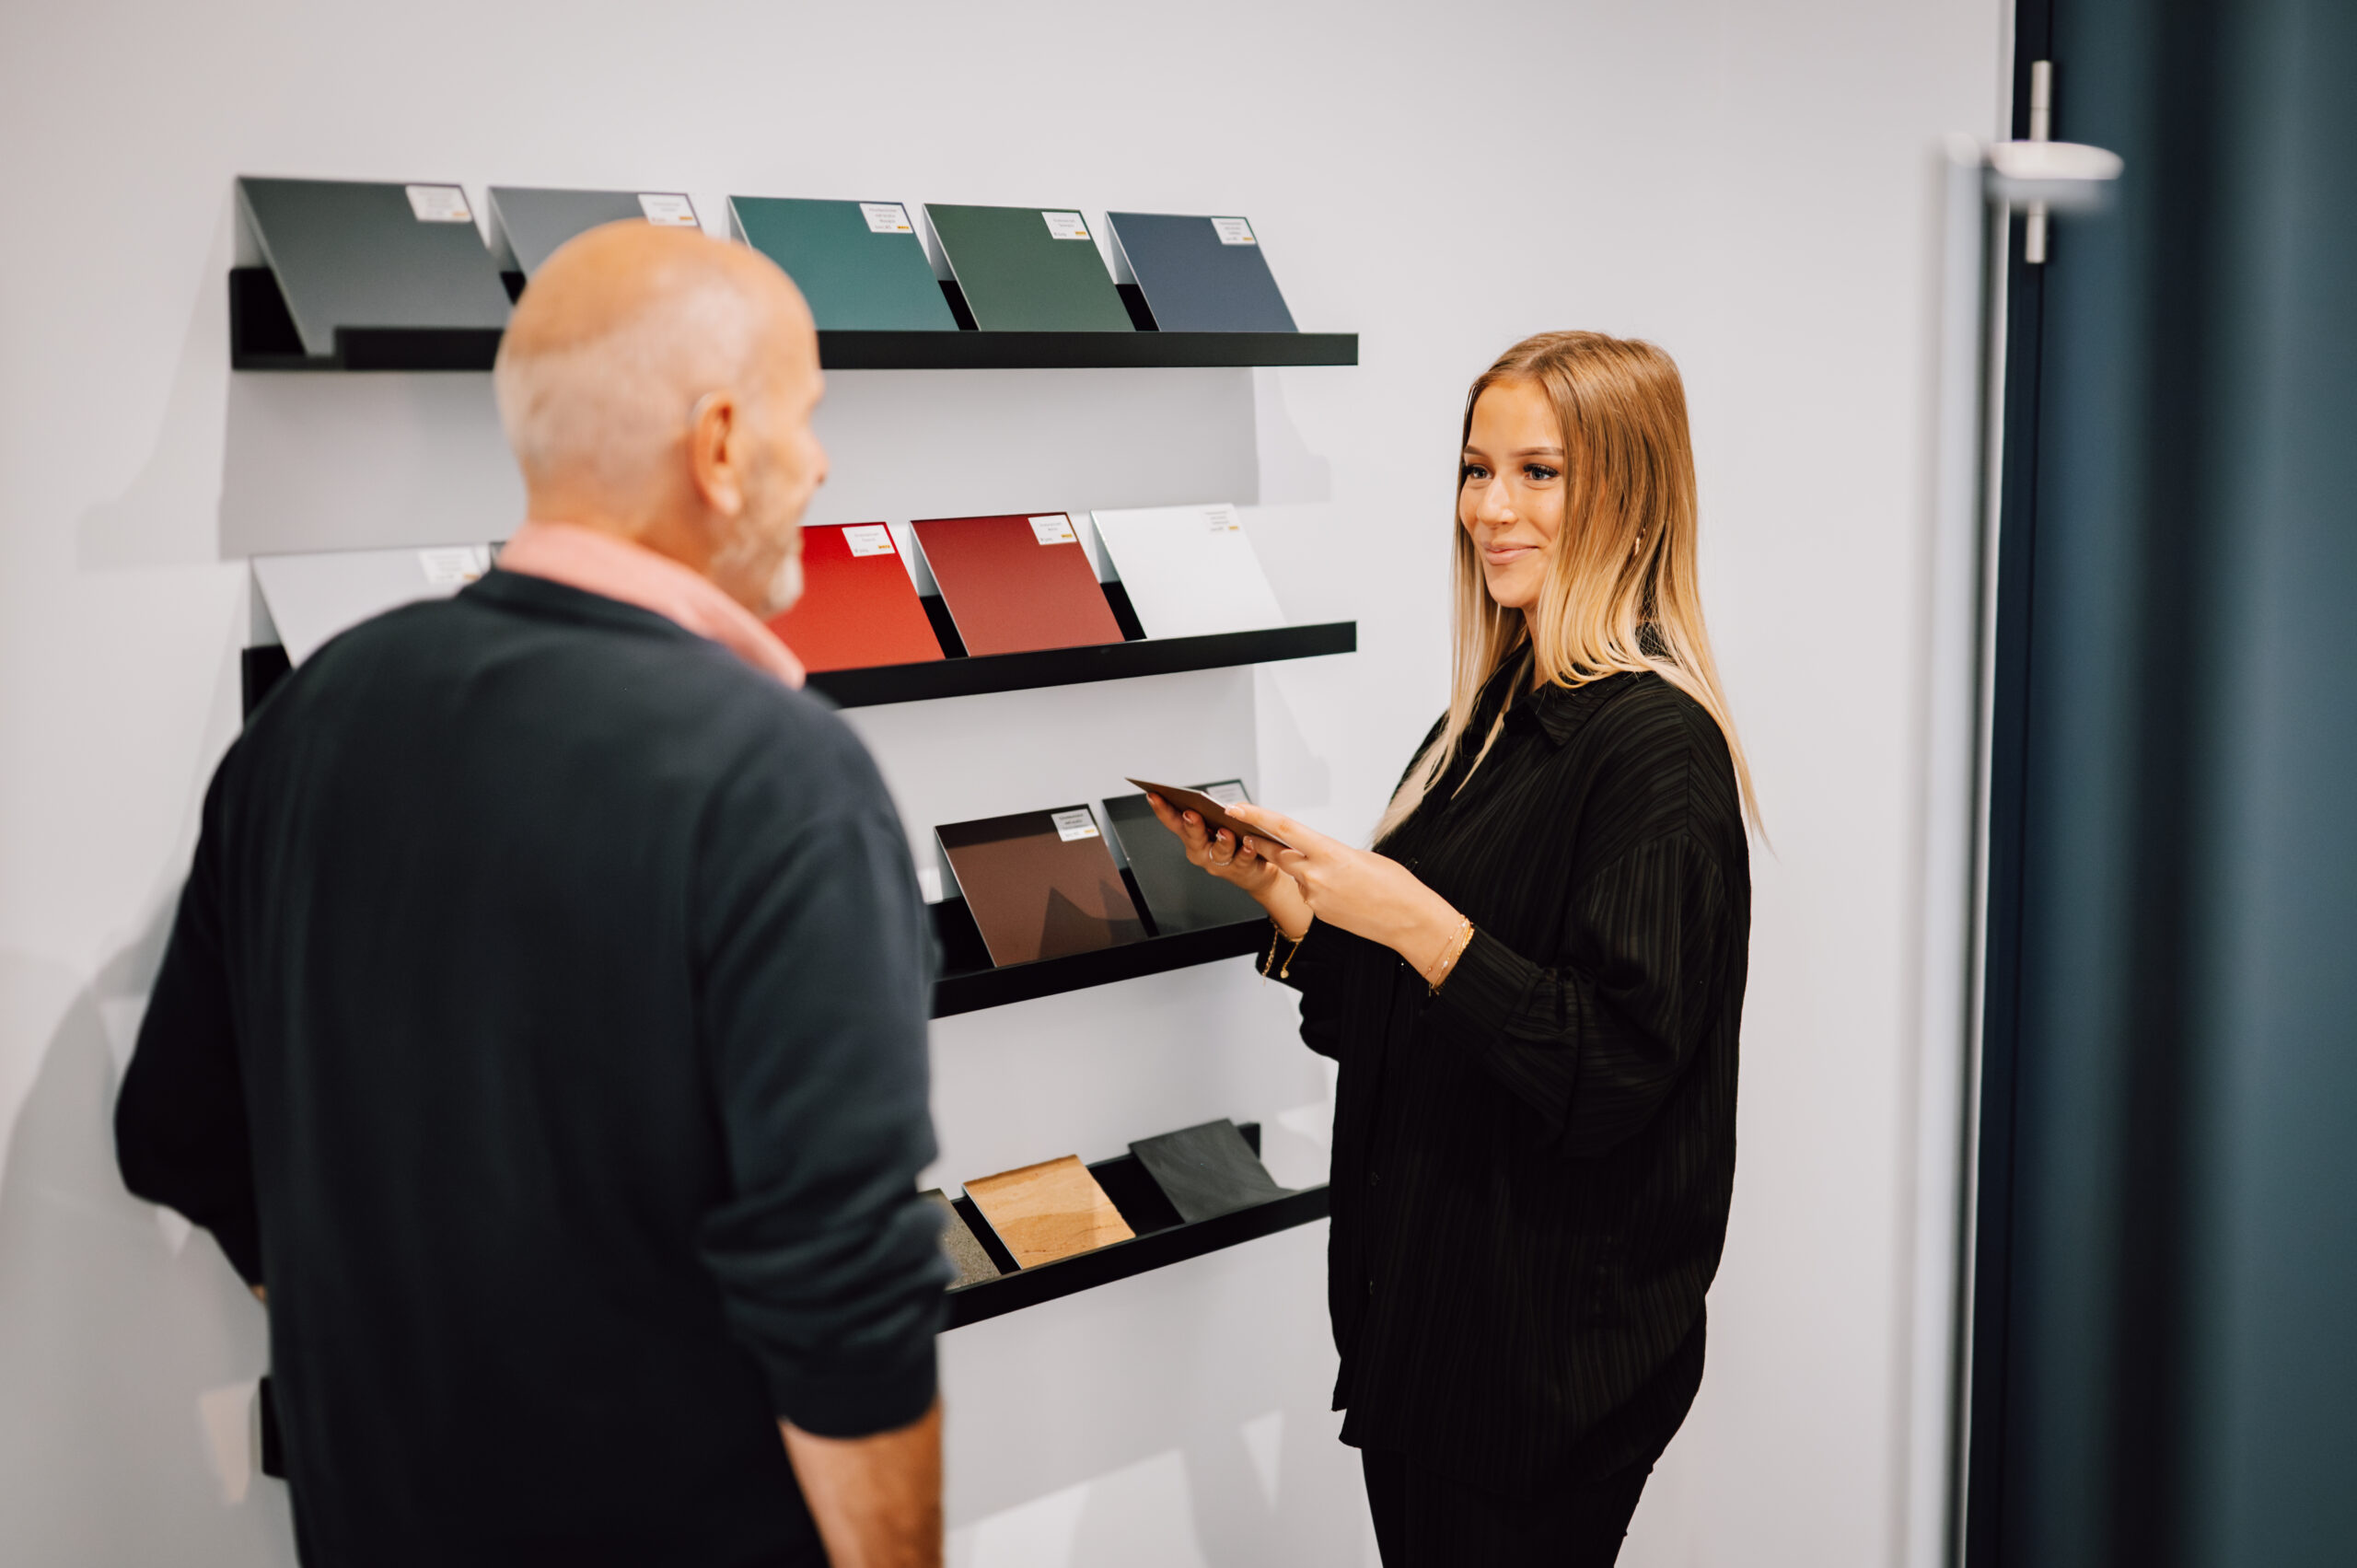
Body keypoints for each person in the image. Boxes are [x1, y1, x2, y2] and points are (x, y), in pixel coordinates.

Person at [114, 222, 948, 1568]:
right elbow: (843, 1294)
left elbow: (174, 1129)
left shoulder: (317, 711)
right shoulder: (775, 776)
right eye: (811, 417)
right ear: (722, 447)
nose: (826, 463)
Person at [1149, 331, 1754, 1566]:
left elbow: (1610, 1076)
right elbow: (1408, 1020)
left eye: (1540, 473)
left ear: (1629, 495)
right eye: (1477, 470)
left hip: (1543, 1368)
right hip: (1426, 1325)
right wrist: (1298, 909)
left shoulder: (1656, 751)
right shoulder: (1484, 717)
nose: (1491, 508)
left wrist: (1415, 917)